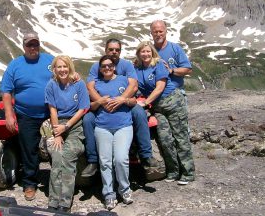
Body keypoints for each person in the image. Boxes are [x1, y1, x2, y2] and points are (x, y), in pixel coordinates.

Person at [81, 38, 158, 178]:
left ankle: (146, 156)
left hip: (124, 102)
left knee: (139, 113)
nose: (114, 52)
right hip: (102, 104)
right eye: (111, 49)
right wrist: (101, 102)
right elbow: (90, 88)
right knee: (87, 120)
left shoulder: (126, 65)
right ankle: (92, 161)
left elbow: (133, 85)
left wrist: (122, 99)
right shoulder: (96, 66)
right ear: (105, 50)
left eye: (117, 50)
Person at [0, 32, 53, 201]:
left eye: (35, 44)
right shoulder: (15, 65)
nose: (33, 48)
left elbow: (64, 75)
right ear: (23, 46)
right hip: (25, 114)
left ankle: (57, 181)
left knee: (54, 146)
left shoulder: (49, 60)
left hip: (49, 113)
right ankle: (30, 183)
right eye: (29, 45)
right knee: (29, 149)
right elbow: (6, 91)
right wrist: (9, 114)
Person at [134, 41, 195, 185]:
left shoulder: (158, 64)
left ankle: (188, 172)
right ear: (138, 53)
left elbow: (159, 87)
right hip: (158, 108)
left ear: (152, 52)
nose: (146, 54)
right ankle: (173, 171)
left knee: (180, 137)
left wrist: (145, 101)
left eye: (148, 51)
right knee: (165, 139)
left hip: (173, 102)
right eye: (143, 52)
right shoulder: (137, 68)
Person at [44, 55, 90, 212]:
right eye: (59, 67)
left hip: (75, 125)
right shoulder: (51, 85)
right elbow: (52, 109)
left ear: (70, 67)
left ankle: (65, 202)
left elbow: (83, 108)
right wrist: (57, 133)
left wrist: (67, 126)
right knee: (57, 156)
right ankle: (53, 200)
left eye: (65, 66)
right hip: (58, 124)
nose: (62, 70)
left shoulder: (79, 84)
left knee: (68, 155)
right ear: (54, 69)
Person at [91, 55, 134, 210]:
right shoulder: (96, 84)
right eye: (103, 66)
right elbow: (91, 107)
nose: (107, 68)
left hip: (123, 125)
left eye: (110, 65)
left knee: (121, 159)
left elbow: (134, 101)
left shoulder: (124, 80)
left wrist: (124, 100)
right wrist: (99, 102)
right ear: (100, 69)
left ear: (114, 66)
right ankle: (109, 194)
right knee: (105, 162)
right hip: (102, 127)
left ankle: (125, 189)